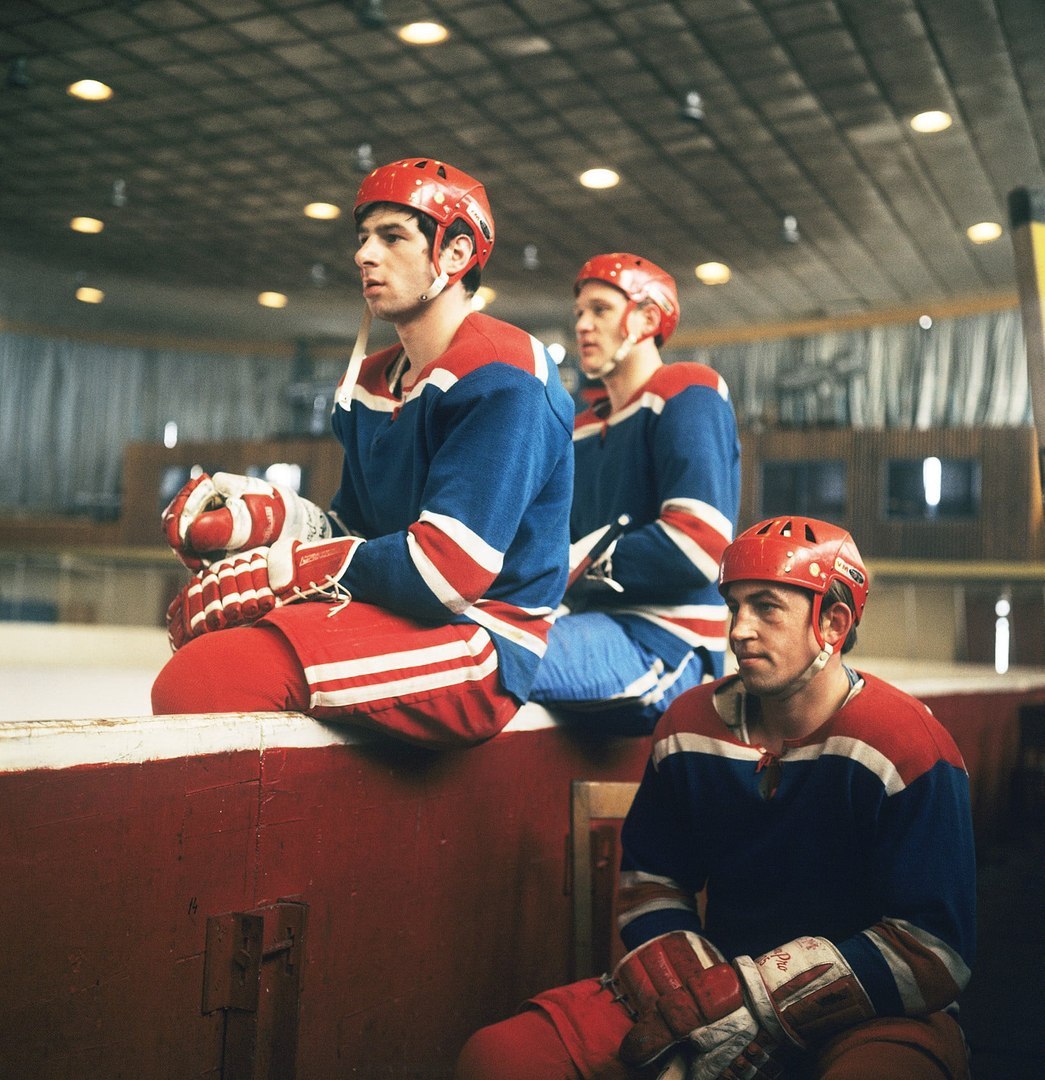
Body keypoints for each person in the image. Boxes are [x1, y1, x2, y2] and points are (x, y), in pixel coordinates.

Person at [457, 516, 975, 1079]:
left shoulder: (908, 745)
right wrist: (702, 1008)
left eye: (767, 608)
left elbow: (933, 947)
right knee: (498, 1059)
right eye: (735, 607)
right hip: (707, 983)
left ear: (833, 621)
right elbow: (650, 886)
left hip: (868, 1013)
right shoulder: (687, 725)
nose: (739, 630)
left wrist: (759, 1001)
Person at [152, 157, 575, 747]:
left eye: (393, 236)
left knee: (204, 681)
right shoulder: (374, 378)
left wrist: (288, 572)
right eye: (363, 238)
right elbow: (358, 526)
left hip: (482, 637)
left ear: (454, 254)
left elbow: (445, 573)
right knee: (211, 653)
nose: (364, 254)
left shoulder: (504, 373)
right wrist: (273, 516)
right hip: (406, 614)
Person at [527, 253, 740, 735]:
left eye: (600, 309)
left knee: (491, 651)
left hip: (668, 643)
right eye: (579, 312)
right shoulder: (581, 425)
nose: (583, 324)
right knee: (477, 635)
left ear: (647, 317)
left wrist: (573, 565)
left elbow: (698, 547)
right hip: (594, 628)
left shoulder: (688, 390)